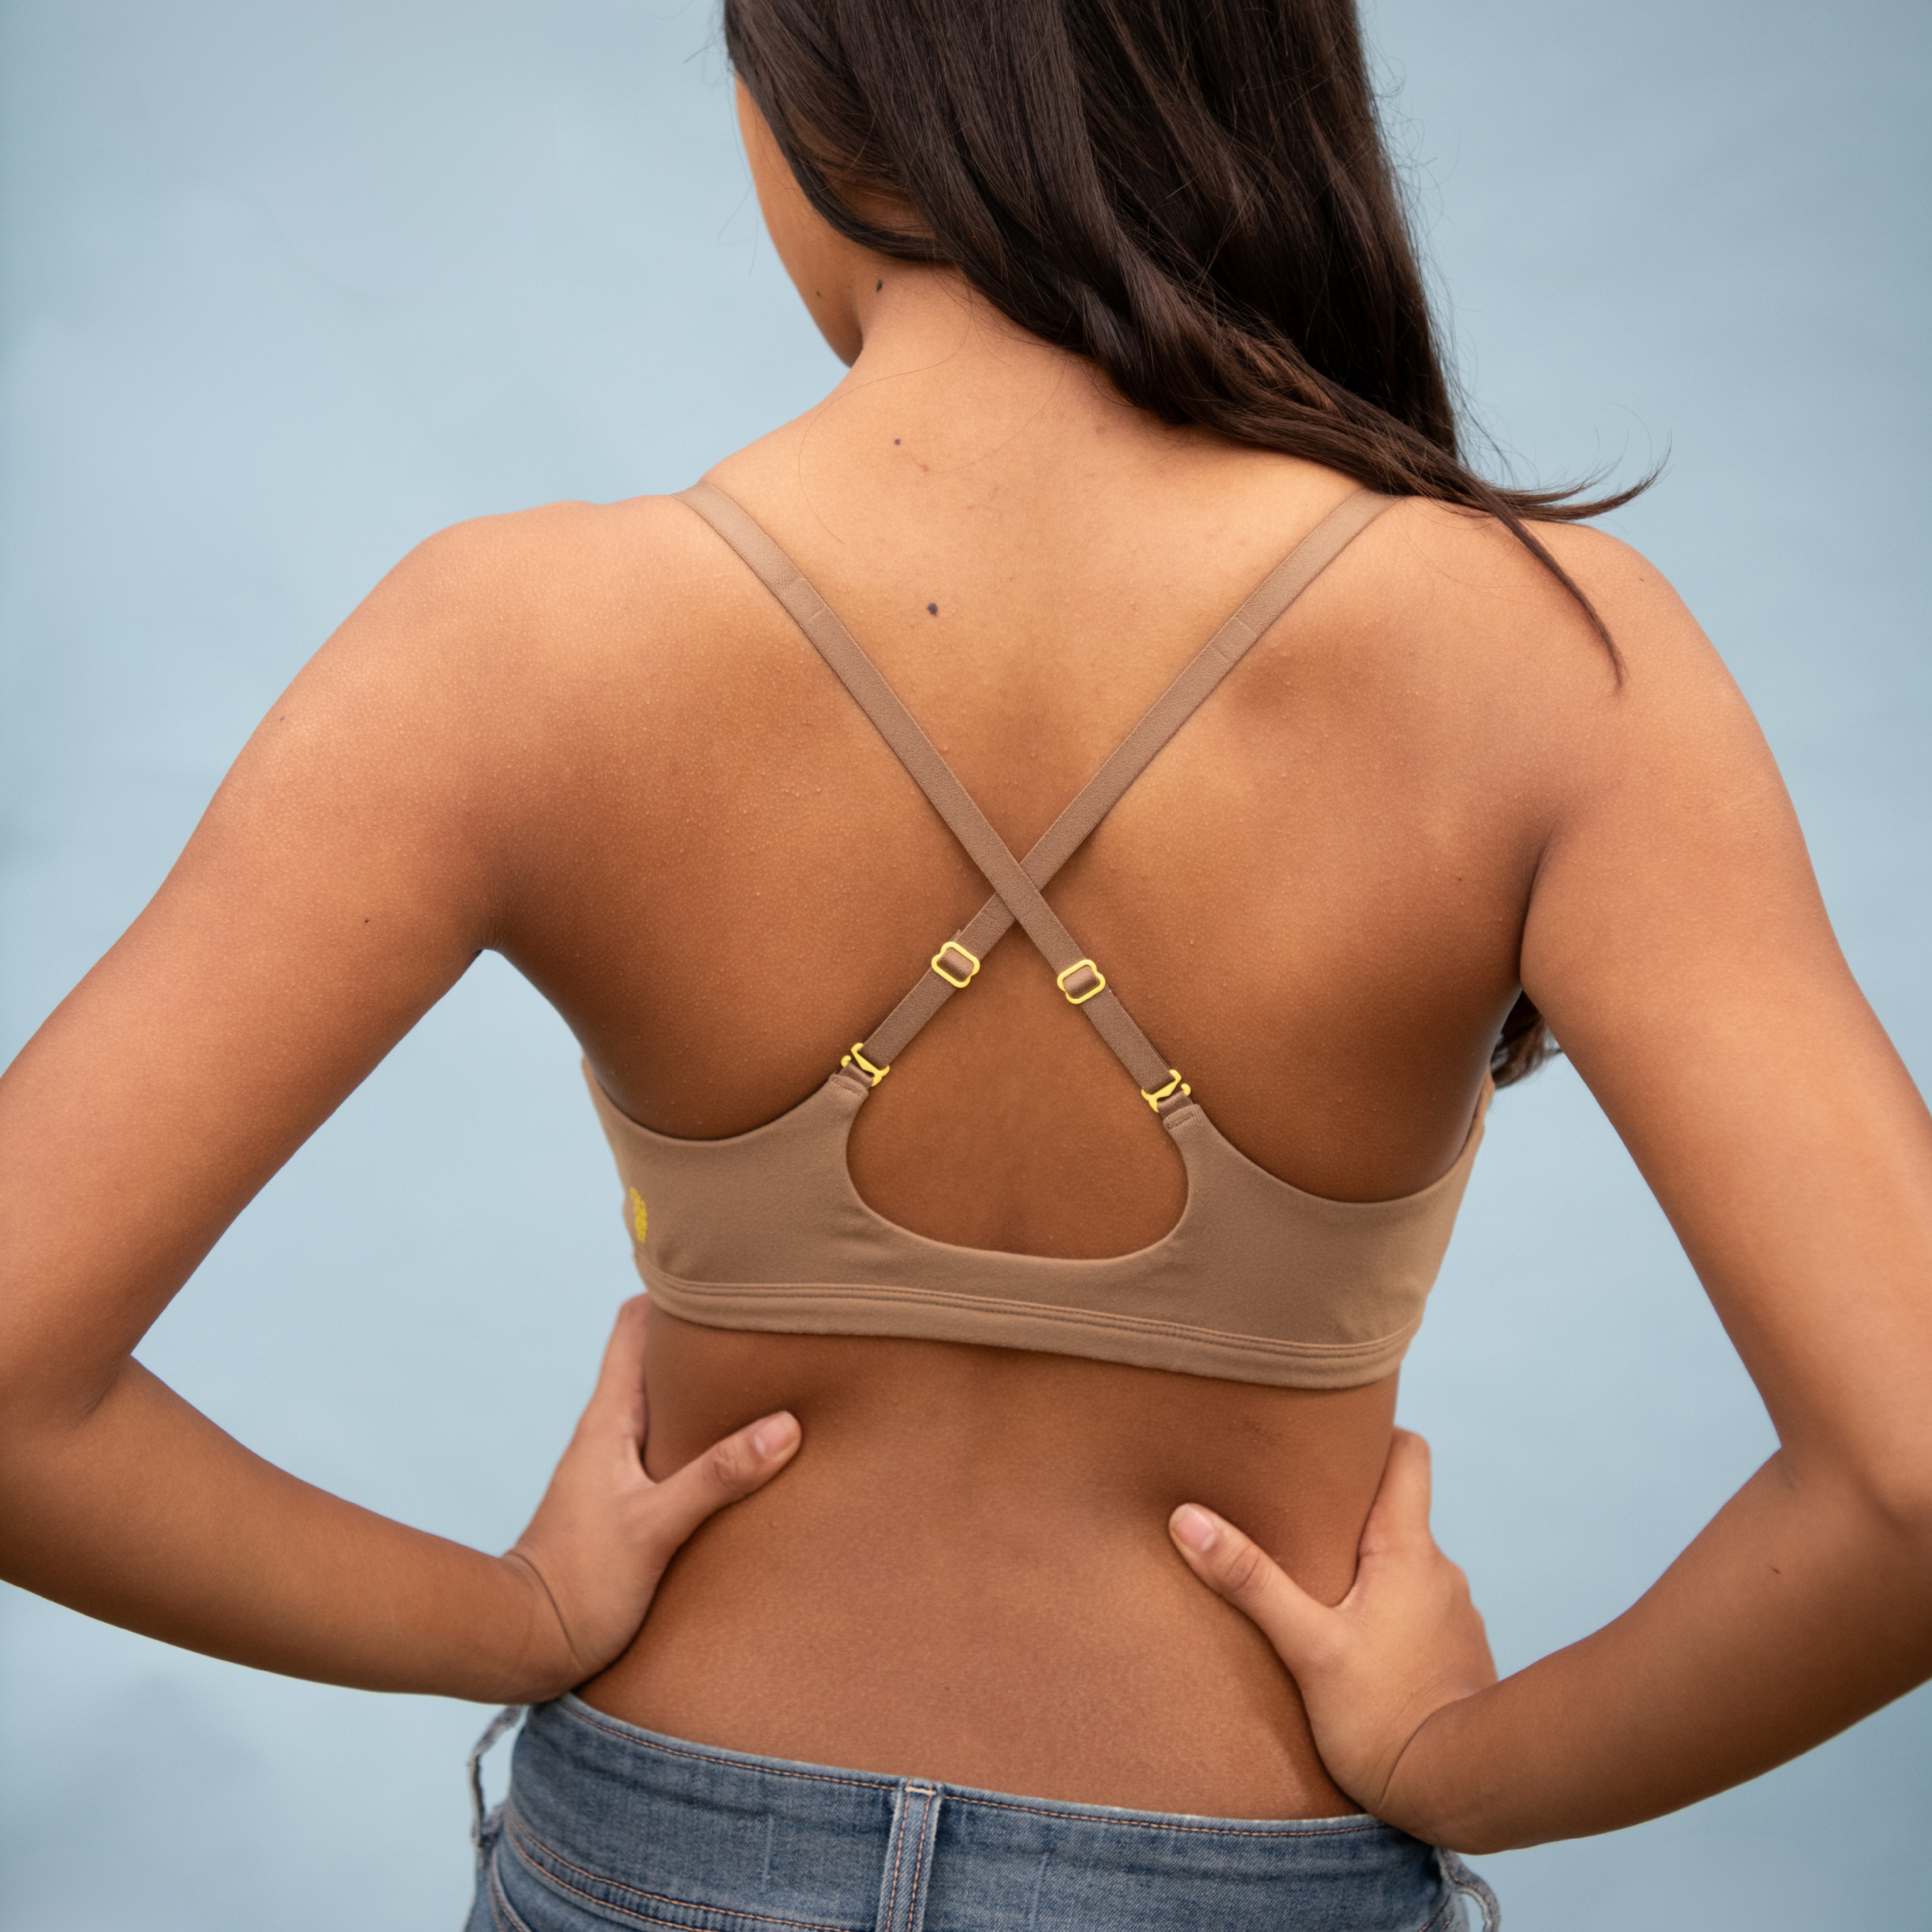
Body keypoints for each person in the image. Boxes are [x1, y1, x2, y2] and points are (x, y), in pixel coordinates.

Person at [2, 0, 1930, 1926]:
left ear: (807, 110)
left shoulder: (508, 642)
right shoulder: (1556, 662)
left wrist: (508, 1615)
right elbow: (1909, 1490)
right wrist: (1464, 1761)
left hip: (662, 1856)